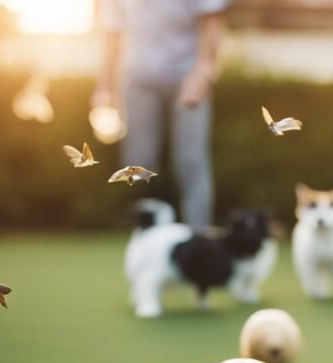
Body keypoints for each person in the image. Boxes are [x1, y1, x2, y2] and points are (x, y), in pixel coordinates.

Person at [93, 0, 230, 232]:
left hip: (187, 78)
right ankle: (144, 238)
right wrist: (104, 86)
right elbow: (112, 33)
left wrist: (203, 72)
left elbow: (212, 21)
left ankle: (198, 241)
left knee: (191, 163)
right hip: (138, 80)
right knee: (137, 165)